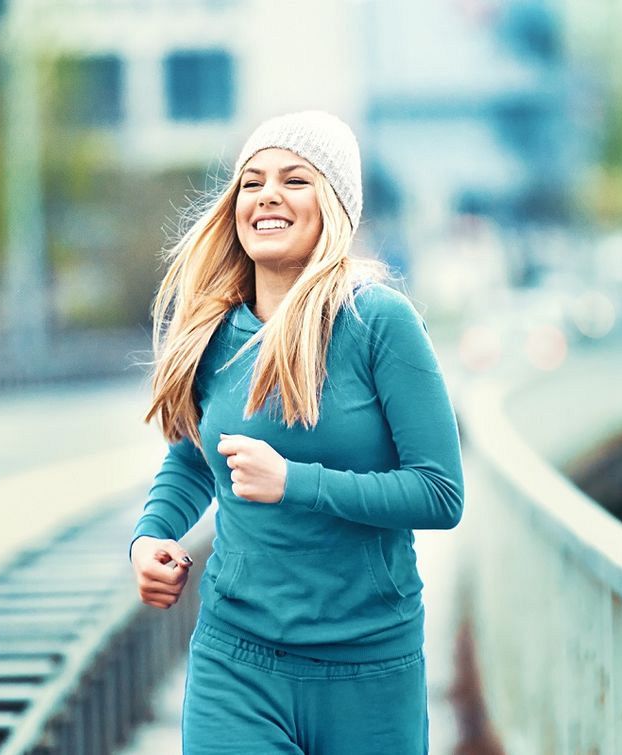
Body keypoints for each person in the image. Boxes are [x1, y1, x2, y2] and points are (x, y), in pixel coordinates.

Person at [128, 110, 464, 754]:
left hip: (368, 667)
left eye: (295, 180)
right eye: (251, 182)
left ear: (333, 206)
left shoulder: (379, 323)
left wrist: (295, 483)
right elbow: (197, 459)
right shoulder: (211, 330)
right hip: (237, 660)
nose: (268, 195)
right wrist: (152, 536)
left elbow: (440, 494)